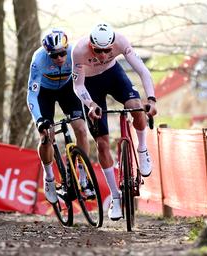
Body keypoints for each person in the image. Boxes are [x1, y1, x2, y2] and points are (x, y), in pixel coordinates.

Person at [71, 22, 157, 220]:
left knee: (136, 106)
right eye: (98, 51)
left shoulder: (121, 41)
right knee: (102, 143)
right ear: (91, 45)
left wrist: (151, 100)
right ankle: (115, 197)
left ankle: (142, 148)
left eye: (107, 50)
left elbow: (143, 71)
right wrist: (90, 104)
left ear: (113, 44)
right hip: (90, 86)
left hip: (113, 75)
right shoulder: (78, 50)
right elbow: (78, 85)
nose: (102, 55)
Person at [27, 28, 93, 204]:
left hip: (67, 89)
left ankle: (83, 178)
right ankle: (49, 178)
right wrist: (39, 119)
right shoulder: (39, 60)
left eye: (62, 53)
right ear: (47, 53)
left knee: (80, 129)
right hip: (45, 94)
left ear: (67, 48)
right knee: (46, 136)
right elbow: (32, 94)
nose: (59, 58)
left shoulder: (74, 53)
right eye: (54, 56)